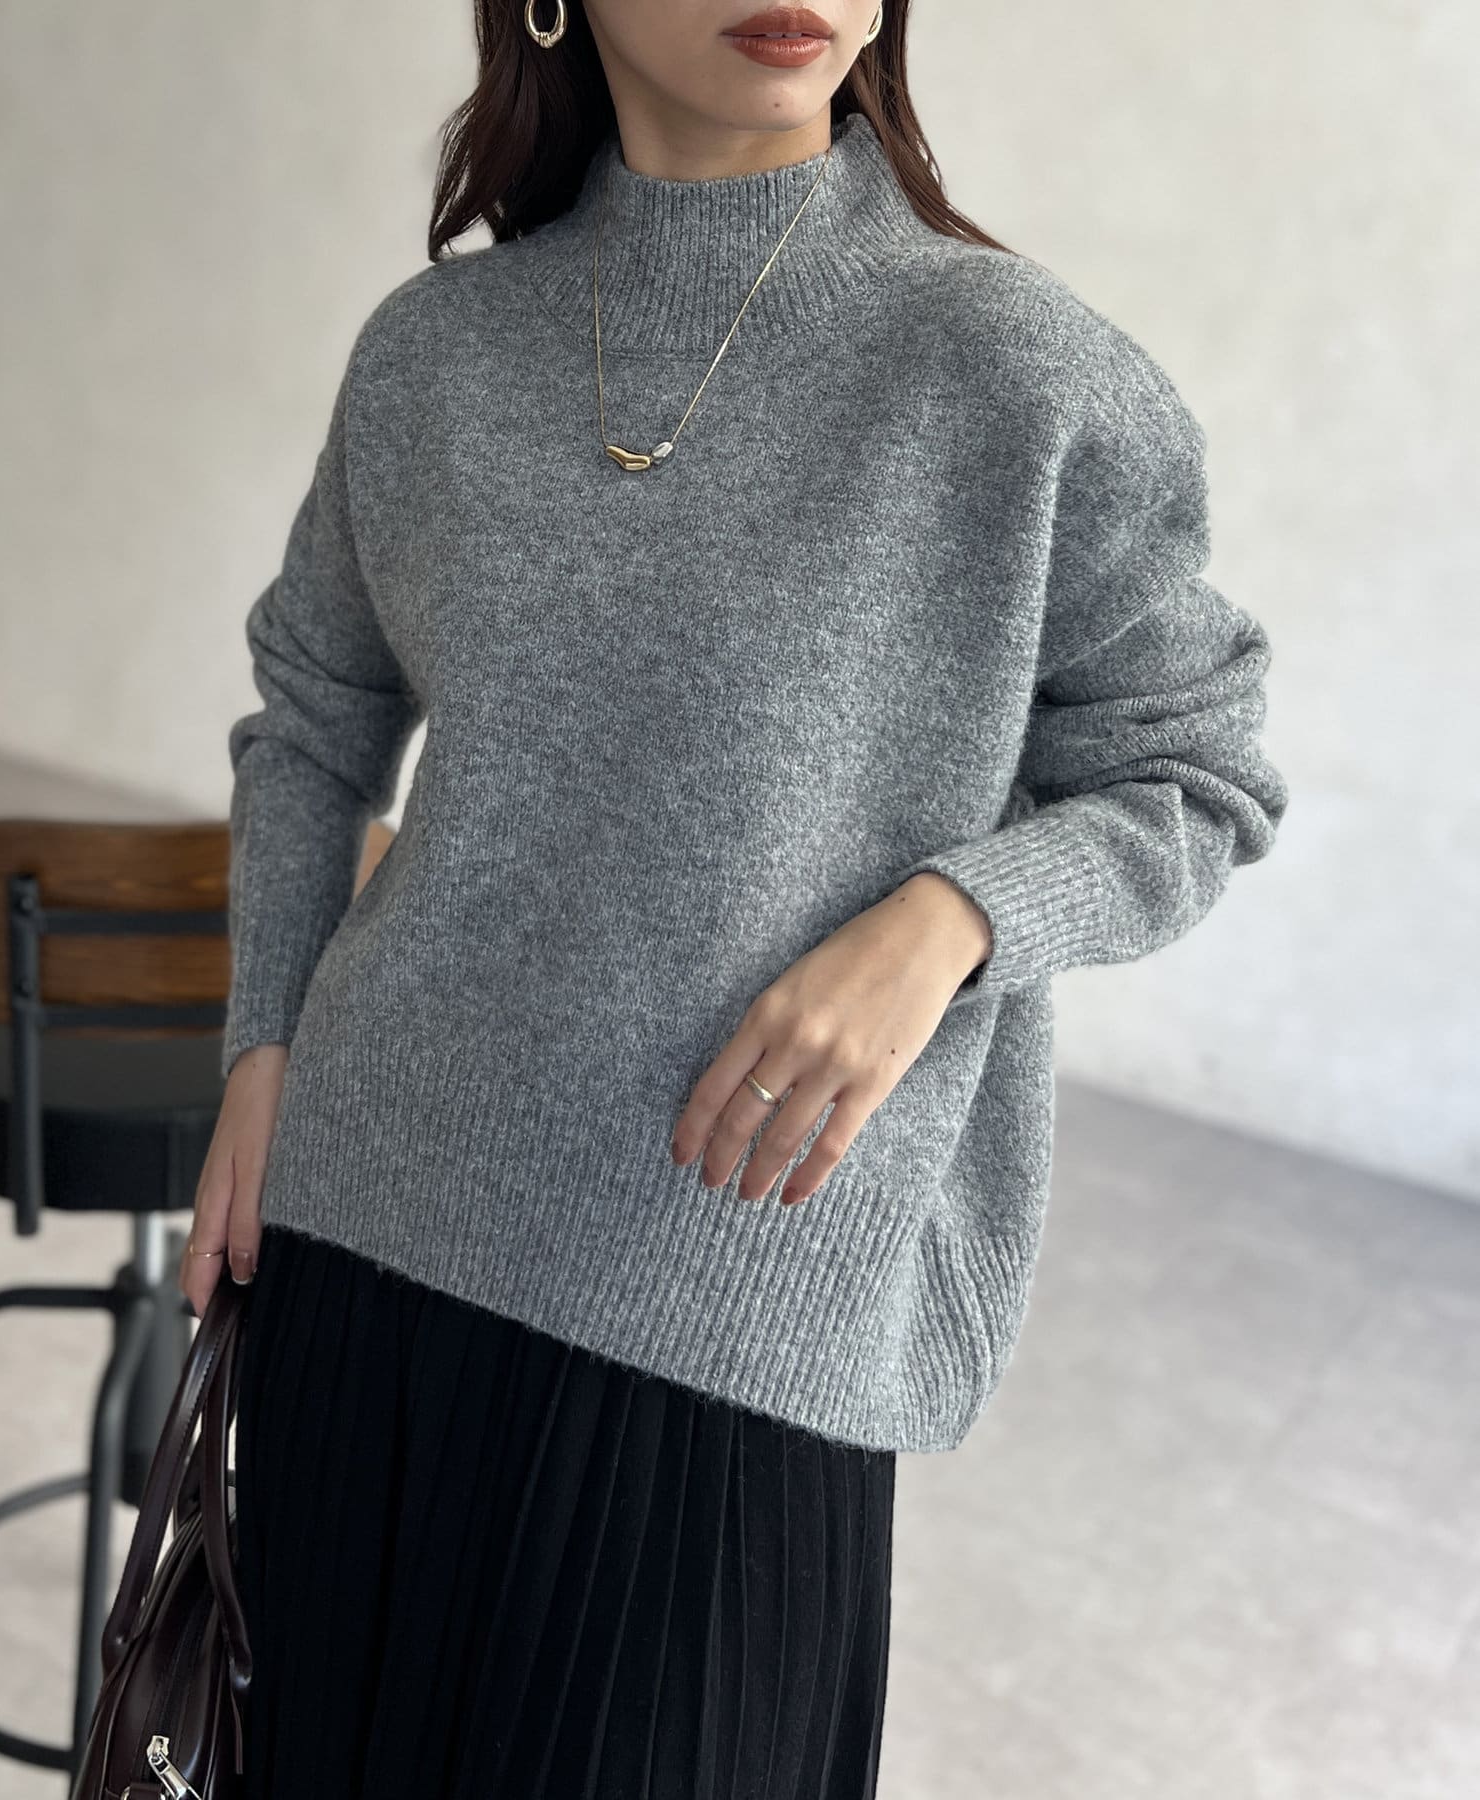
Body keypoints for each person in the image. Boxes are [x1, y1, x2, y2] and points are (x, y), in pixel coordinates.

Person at [181, 1, 1290, 1794]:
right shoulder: (435, 358)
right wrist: (263, 1046)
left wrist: (949, 923)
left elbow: (1199, 777)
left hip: (735, 1290)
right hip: (371, 1249)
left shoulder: (1018, 376)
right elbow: (311, 724)